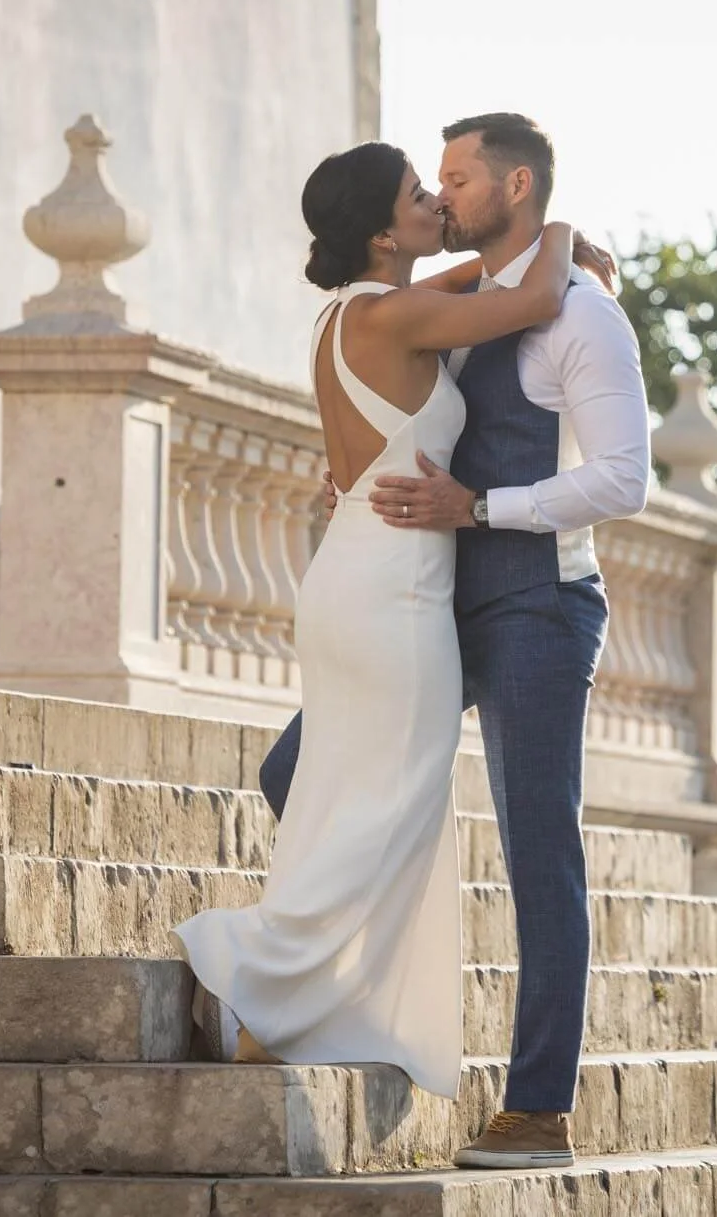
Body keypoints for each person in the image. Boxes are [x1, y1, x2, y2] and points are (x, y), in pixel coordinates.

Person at [171, 136, 601, 1113]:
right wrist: (563, 231)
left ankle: (287, 1004)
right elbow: (532, 299)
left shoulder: (352, 314)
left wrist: (504, 259)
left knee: (349, 793)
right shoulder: (403, 313)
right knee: (390, 809)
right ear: (381, 229)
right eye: (420, 194)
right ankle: (253, 975)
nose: (435, 204)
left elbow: (462, 284)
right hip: (397, 589)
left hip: (352, 576)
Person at [254, 113, 652, 1169]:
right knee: (294, 767)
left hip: (532, 605)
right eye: (429, 185)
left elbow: (622, 480)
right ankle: (324, 977)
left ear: (513, 188)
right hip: (427, 601)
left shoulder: (584, 315)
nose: (442, 198)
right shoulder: (454, 302)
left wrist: (481, 510)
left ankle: (537, 1110)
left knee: (538, 851)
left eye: (458, 180)